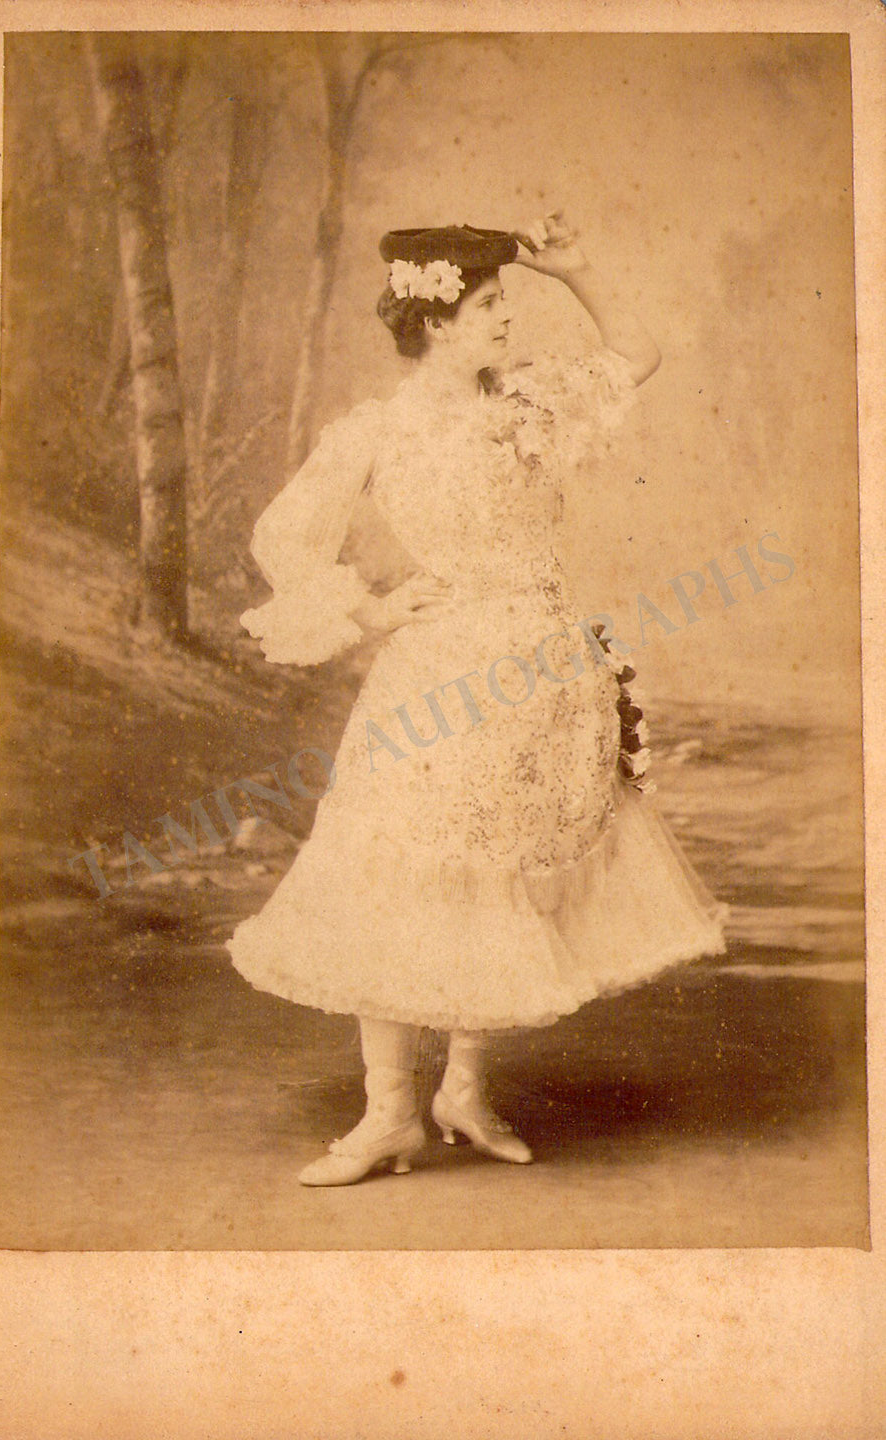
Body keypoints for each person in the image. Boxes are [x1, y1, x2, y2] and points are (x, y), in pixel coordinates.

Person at [227, 214, 727, 1186]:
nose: (506, 319)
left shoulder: (532, 401)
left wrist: (576, 268)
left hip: (546, 673)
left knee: (504, 873)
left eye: (505, 303)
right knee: (400, 877)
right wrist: (370, 610)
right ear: (436, 322)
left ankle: (462, 1089)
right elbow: (284, 536)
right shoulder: (377, 431)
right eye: (490, 305)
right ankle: (388, 1114)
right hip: (441, 677)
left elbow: (638, 353)